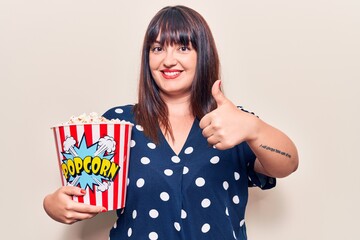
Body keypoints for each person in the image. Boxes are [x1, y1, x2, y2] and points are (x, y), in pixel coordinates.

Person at [43, 5, 298, 240]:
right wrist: (52, 205)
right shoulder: (118, 123)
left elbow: (287, 164)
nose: (168, 60)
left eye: (183, 48)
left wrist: (253, 128)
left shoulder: (230, 121)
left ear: (204, 54)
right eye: (157, 48)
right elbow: (83, 189)